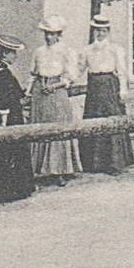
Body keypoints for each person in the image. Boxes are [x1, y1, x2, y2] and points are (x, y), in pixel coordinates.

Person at [0, 35, 35, 202]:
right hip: (6, 116)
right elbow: (6, 97)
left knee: (13, 149)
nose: (15, 57)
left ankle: (18, 187)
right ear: (4, 54)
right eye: (12, 53)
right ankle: (3, 190)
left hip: (12, 114)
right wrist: (20, 99)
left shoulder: (4, 71)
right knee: (4, 150)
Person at [78, 13, 134, 173]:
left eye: (103, 31)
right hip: (94, 87)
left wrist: (123, 90)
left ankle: (114, 163)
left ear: (108, 31)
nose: (100, 34)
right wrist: (66, 79)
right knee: (94, 118)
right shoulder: (87, 50)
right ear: (93, 32)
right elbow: (80, 69)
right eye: (97, 31)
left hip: (110, 85)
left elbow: (122, 71)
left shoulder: (116, 49)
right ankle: (93, 163)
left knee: (112, 118)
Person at [29, 14, 82, 185]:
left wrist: (56, 86)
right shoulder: (39, 52)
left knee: (59, 126)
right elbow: (33, 73)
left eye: (52, 33)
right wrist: (29, 92)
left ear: (59, 34)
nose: (48, 36)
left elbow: (71, 76)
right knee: (39, 126)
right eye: (46, 33)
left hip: (57, 91)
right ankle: (38, 168)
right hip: (40, 91)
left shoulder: (67, 51)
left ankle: (60, 169)